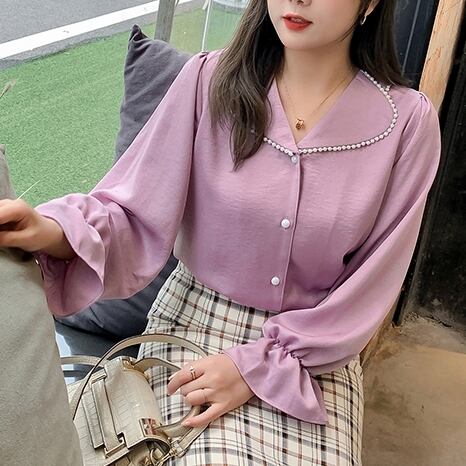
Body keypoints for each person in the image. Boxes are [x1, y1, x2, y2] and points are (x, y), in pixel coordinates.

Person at [0, 0, 442, 464]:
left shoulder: (407, 125)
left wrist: (255, 368)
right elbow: (132, 211)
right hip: (195, 316)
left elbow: (371, 284)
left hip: (313, 353)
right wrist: (53, 230)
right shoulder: (206, 81)